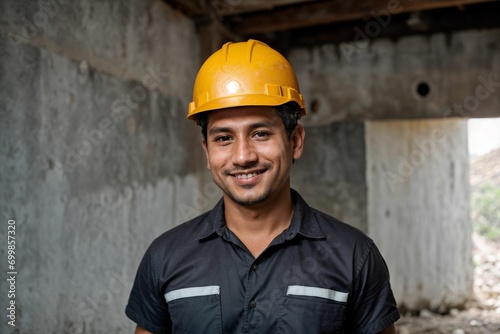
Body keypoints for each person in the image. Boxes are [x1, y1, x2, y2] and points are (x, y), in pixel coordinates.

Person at [125, 39, 400, 334]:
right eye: (224, 138)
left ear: (295, 142)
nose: (243, 156)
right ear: (207, 151)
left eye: (260, 133)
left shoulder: (354, 255)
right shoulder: (165, 257)